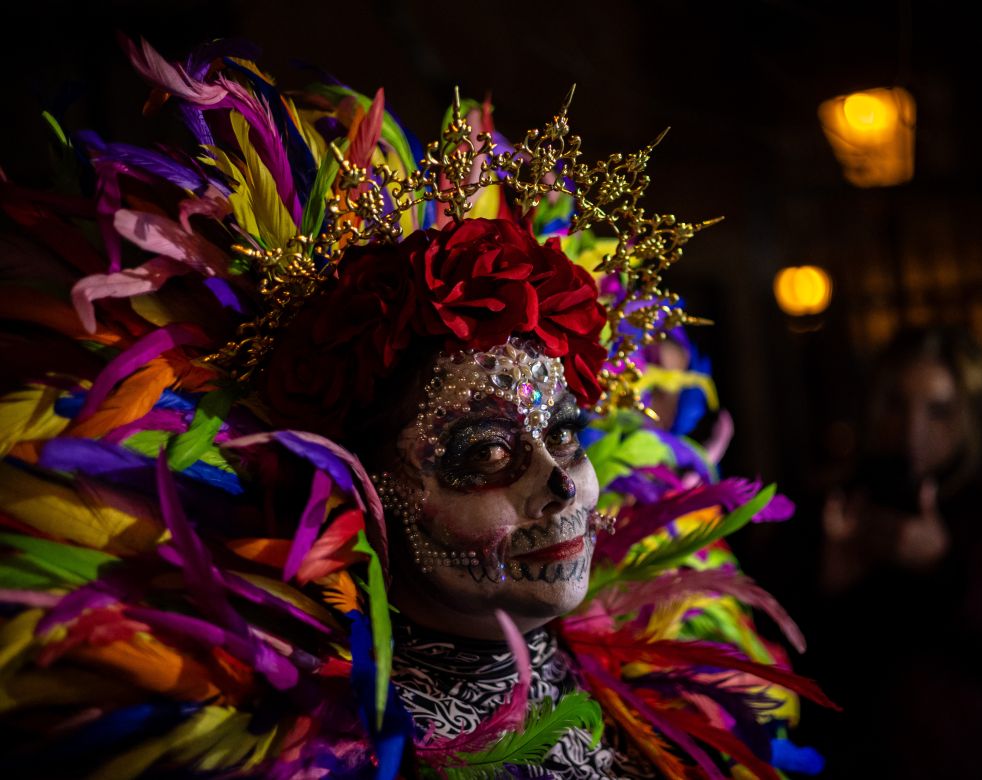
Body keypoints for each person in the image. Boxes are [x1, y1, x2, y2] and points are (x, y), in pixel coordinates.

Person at [0, 38, 831, 778]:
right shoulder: (306, 752)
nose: (564, 487)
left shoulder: (658, 702)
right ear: (363, 490)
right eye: (484, 452)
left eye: (565, 435)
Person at [813, 326, 982, 780]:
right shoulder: (848, 508)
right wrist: (831, 583)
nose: (914, 430)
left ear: (976, 413)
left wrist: (946, 570)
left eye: (939, 410)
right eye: (898, 405)